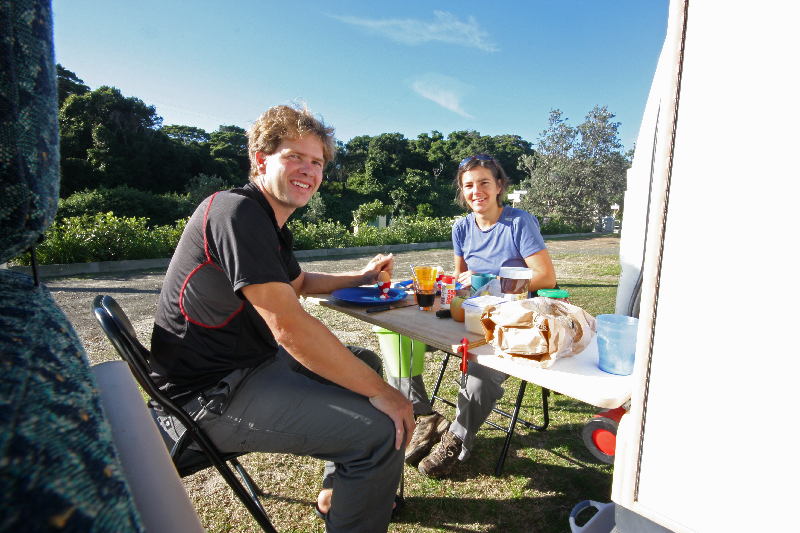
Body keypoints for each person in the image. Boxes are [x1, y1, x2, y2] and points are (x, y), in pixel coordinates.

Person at [150, 104, 415, 532]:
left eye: (317, 162)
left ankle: (339, 494)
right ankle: (361, 478)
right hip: (209, 396)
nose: (309, 170)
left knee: (363, 359)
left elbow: (300, 282)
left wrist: (363, 277)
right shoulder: (235, 212)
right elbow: (289, 327)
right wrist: (388, 394)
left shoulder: (266, 221)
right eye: (295, 156)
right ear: (261, 160)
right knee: (380, 431)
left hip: (249, 364)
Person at [407, 153, 556, 478]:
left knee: (479, 372)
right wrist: (450, 285)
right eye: (469, 185)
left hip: (510, 321)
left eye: (484, 183)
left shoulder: (519, 223)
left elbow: (546, 277)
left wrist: (491, 281)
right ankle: (423, 417)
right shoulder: (462, 227)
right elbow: (461, 282)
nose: (477, 191)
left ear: (499, 185)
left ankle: (457, 439)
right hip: (469, 313)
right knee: (403, 341)